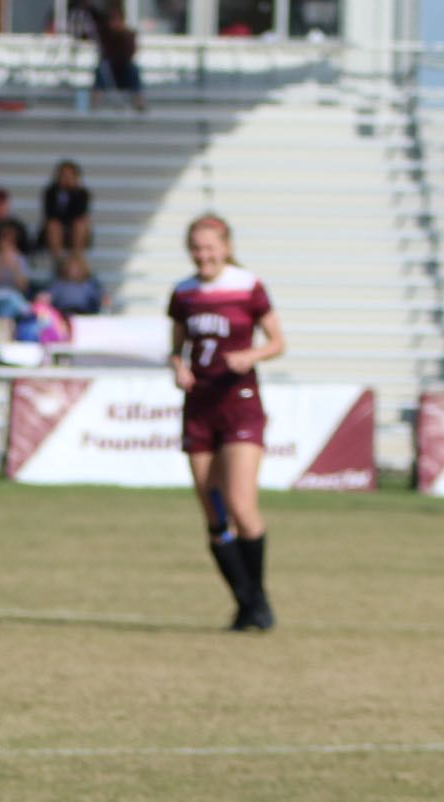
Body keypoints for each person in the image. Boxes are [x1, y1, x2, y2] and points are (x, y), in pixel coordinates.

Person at [169, 213, 284, 630]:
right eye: (197, 249)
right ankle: (245, 602)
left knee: (240, 503)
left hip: (240, 404)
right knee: (213, 513)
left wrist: (250, 356)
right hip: (199, 409)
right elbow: (177, 347)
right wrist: (177, 368)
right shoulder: (184, 292)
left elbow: (277, 341)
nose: (204, 255)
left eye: (210, 247)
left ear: (227, 247)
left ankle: (258, 598)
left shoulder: (248, 286)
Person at [95, 3, 145, 112]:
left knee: (133, 69)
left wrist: (122, 36)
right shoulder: (105, 35)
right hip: (109, 70)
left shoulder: (129, 35)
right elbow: (104, 54)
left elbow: (129, 54)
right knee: (101, 69)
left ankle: (138, 100)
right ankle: (95, 101)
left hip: (124, 70)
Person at [40, 160, 91, 261]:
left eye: (69, 175)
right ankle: (58, 259)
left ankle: (76, 257)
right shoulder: (50, 192)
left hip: (74, 228)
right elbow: (50, 213)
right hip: (56, 227)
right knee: (53, 225)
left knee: (80, 223)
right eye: (64, 175)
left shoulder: (81, 193)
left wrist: (72, 192)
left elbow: (80, 213)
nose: (66, 178)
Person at [47, 250, 108, 316]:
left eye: (76, 268)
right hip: (64, 314)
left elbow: (100, 295)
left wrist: (103, 298)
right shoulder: (59, 283)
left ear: (82, 268)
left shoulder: (89, 283)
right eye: (71, 267)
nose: (73, 270)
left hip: (84, 314)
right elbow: (49, 295)